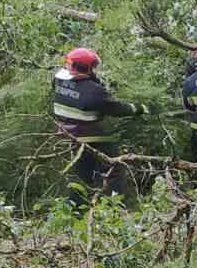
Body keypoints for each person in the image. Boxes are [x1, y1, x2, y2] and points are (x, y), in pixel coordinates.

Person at [51, 47, 149, 196]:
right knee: (114, 165)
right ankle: (113, 203)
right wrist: (139, 108)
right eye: (93, 67)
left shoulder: (58, 80)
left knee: (79, 176)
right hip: (87, 136)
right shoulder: (94, 90)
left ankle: (76, 208)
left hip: (64, 133)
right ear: (86, 68)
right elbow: (117, 108)